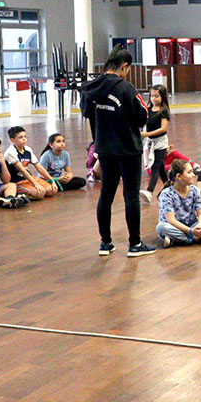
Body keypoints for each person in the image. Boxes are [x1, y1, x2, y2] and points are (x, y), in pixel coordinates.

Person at [81, 45, 155, 258]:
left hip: (104, 148)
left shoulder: (90, 89)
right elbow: (142, 116)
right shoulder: (126, 88)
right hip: (128, 148)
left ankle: (105, 243)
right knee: (131, 195)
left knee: (106, 194)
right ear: (124, 66)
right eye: (128, 69)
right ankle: (135, 244)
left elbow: (87, 114)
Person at [157, 159, 201, 247]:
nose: (193, 175)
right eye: (189, 172)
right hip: (174, 226)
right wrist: (190, 231)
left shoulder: (195, 190)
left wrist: (200, 226)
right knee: (161, 228)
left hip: (192, 224)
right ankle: (196, 239)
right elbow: (171, 220)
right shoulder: (166, 194)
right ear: (179, 176)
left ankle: (176, 240)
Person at [5, 125, 57, 200]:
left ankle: (30, 191)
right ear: (13, 140)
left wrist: (52, 180)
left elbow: (38, 166)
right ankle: (20, 195)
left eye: (25, 136)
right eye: (20, 137)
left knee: (51, 190)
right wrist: (36, 184)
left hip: (29, 177)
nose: (24, 139)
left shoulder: (28, 149)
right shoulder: (10, 152)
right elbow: (22, 170)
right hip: (18, 181)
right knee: (39, 194)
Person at [140, 84, 171, 204]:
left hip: (161, 142)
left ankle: (150, 191)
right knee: (161, 167)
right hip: (151, 142)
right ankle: (169, 187)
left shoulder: (163, 111)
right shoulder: (148, 110)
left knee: (155, 166)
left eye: (156, 96)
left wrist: (147, 134)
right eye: (152, 96)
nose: (154, 98)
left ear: (163, 97)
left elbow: (163, 129)